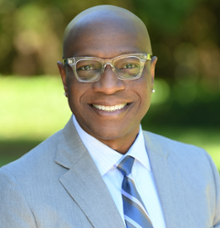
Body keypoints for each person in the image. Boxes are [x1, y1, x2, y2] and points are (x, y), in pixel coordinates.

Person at [0, 5, 219, 228]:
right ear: (65, 78)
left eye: (129, 65)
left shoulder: (199, 168)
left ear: (151, 74)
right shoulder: (18, 189)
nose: (108, 86)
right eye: (87, 67)